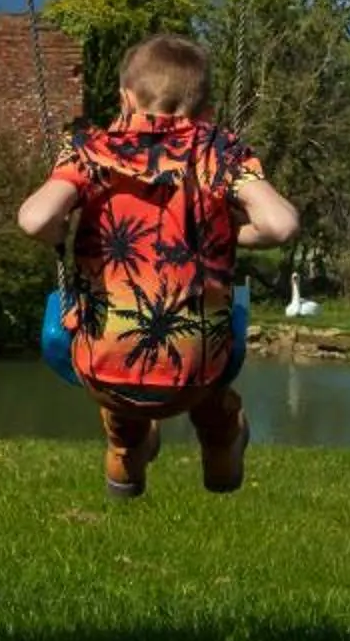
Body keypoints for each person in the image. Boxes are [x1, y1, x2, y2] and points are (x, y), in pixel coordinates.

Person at [15, 33, 300, 498]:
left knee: (113, 343)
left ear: (125, 97)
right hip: (200, 377)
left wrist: (59, 232)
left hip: (100, 376)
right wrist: (232, 234)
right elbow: (281, 225)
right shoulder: (218, 152)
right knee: (215, 328)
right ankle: (221, 441)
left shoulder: (90, 150)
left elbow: (34, 219)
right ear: (205, 109)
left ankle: (125, 455)